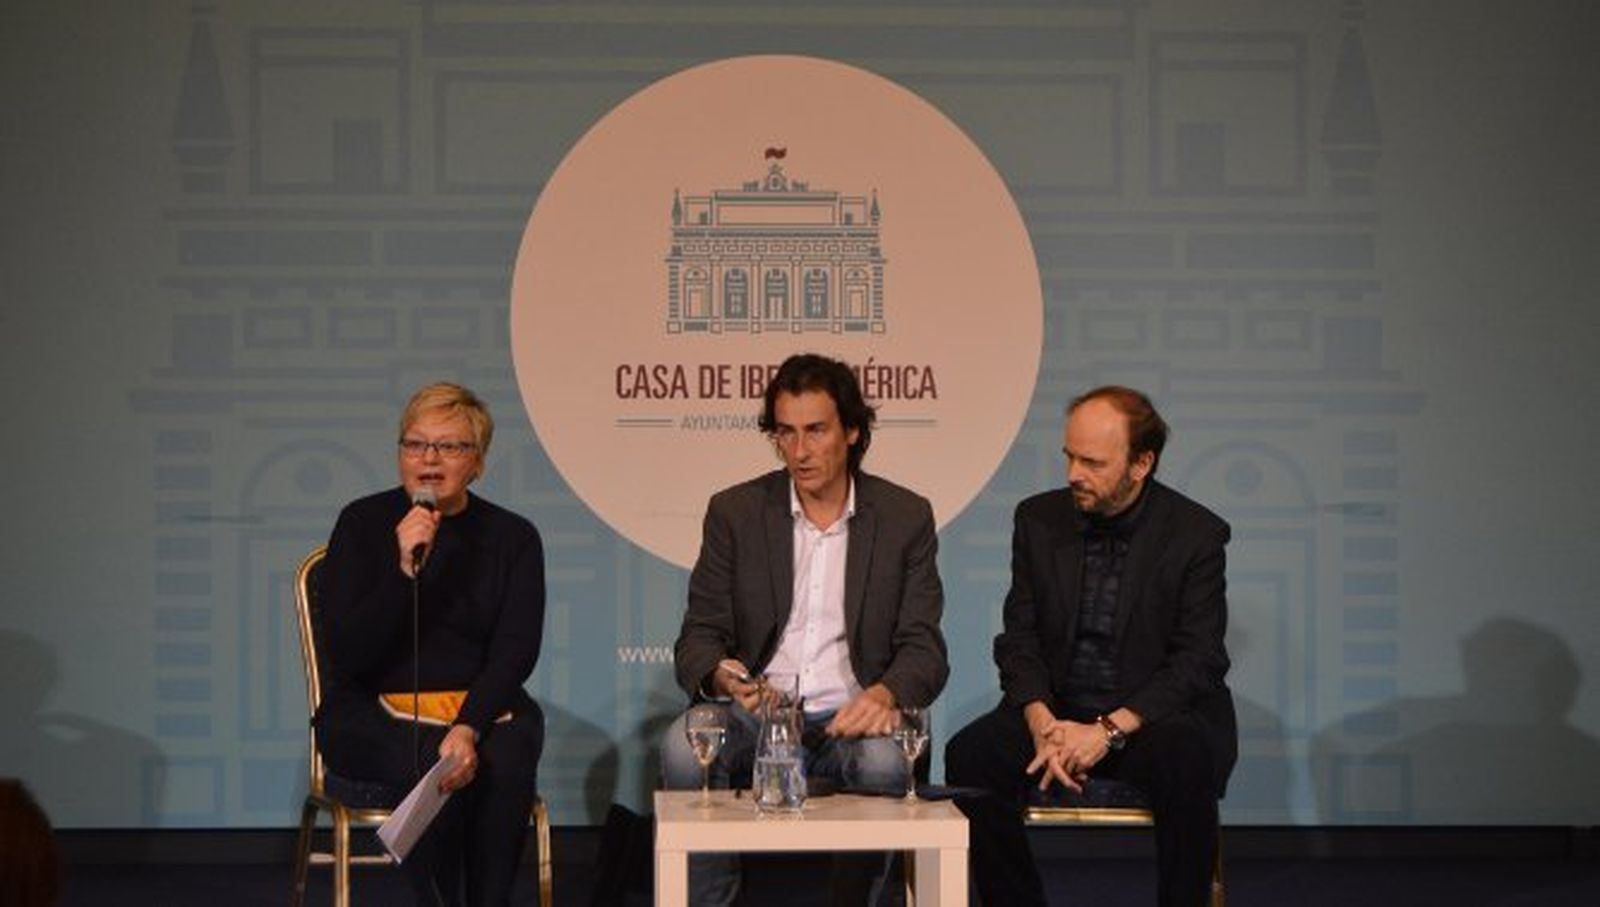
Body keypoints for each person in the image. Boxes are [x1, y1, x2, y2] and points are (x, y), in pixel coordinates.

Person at [664, 353, 948, 906]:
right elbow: (699, 636)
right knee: (682, 746)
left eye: (815, 431)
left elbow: (924, 646)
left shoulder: (904, 516)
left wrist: (885, 694)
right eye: (785, 433)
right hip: (759, 718)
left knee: (887, 760)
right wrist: (730, 681)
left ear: (852, 431)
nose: (799, 450)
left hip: (854, 716)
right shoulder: (736, 512)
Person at [944, 386, 1236, 907]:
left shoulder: (1195, 535)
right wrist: (1040, 720)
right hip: (1056, 714)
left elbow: (1198, 661)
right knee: (970, 756)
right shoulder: (1037, 520)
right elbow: (1019, 637)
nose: (1074, 473)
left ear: (1142, 463)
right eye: (1069, 456)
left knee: (1188, 758)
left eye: (1093, 462)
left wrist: (1107, 730)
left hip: (1147, 719)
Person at [316, 382, 546, 907]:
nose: (429, 459)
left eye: (451, 447)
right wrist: (402, 571)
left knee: (505, 755)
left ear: (479, 462)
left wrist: (468, 726)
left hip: (478, 708)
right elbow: (350, 654)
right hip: (371, 710)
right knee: (431, 764)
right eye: (415, 444)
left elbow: (515, 651)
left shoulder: (513, 537)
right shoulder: (361, 523)